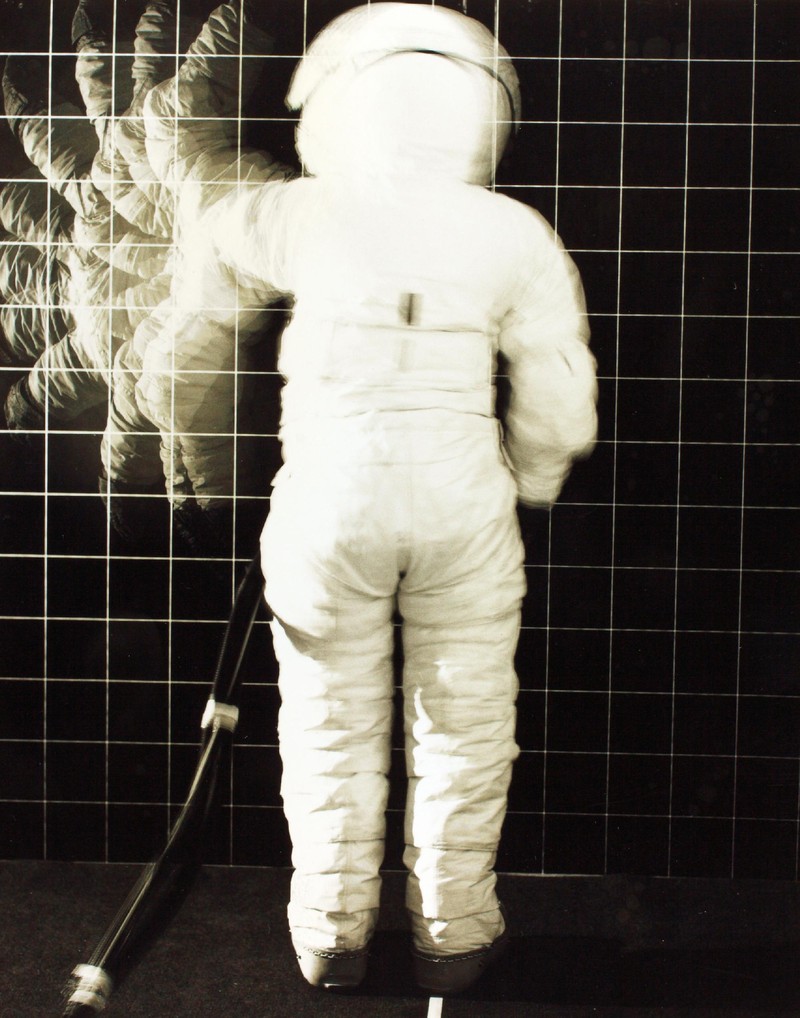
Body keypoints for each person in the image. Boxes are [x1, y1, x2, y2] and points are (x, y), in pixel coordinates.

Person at [141, 0, 597, 993]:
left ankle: (329, 939)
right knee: (464, 721)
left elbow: (184, 348)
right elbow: (559, 400)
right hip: (462, 507)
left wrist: (210, 474)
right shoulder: (512, 231)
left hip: (325, 504)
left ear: (338, 102)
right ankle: (456, 936)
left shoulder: (296, 213)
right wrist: (532, 482)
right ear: (481, 112)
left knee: (325, 722)